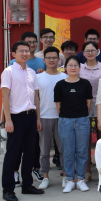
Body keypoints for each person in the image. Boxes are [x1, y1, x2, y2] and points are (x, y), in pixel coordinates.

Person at [1, 41, 44, 201]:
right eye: (21, 51)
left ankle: (27, 185)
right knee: (12, 154)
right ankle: (8, 189)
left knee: (30, 152)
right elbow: (5, 96)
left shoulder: (32, 72)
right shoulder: (9, 71)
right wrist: (8, 120)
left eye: (27, 50)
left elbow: (35, 97)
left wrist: (37, 118)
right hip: (16, 118)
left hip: (31, 116)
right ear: (14, 54)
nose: (25, 53)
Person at [54, 55, 92, 193]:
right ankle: (69, 179)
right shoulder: (60, 85)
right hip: (65, 121)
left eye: (76, 65)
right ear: (65, 68)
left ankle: (81, 179)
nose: (73, 68)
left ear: (79, 67)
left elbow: (88, 103)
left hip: (82, 120)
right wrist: (66, 117)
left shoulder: (85, 84)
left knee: (82, 151)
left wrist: (82, 115)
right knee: (68, 151)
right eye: (70, 65)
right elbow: (58, 105)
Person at [79, 40, 101, 182]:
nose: (90, 53)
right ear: (83, 53)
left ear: (98, 52)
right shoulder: (80, 68)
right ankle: (86, 171)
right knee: (85, 138)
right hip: (84, 105)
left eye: (93, 50)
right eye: (87, 51)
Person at [37, 47, 67, 190]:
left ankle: (65, 176)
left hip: (61, 118)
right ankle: (45, 177)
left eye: (54, 57)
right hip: (44, 117)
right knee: (44, 150)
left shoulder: (64, 77)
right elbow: (36, 99)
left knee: (63, 149)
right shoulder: (38, 77)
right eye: (48, 58)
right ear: (44, 60)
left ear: (58, 60)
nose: (51, 60)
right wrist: (37, 118)